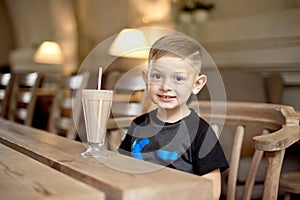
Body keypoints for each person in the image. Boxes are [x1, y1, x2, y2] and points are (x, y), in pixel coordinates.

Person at [118, 34, 228, 200]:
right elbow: (122, 171)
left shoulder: (201, 133)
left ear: (197, 84)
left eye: (178, 78)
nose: (166, 86)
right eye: (157, 76)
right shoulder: (138, 125)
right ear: (146, 79)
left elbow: (211, 193)